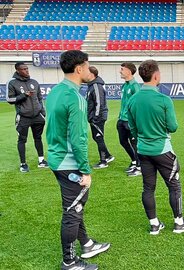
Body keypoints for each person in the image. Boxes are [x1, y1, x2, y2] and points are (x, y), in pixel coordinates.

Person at [46, 50, 110, 270]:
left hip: (56, 158)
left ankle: (87, 244)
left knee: (76, 205)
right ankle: (69, 261)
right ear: (79, 68)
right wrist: (85, 170)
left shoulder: (55, 92)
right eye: (87, 65)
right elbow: (79, 138)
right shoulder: (76, 98)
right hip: (69, 162)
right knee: (72, 211)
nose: (89, 69)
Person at [126, 59, 184, 235]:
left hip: (142, 150)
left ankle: (154, 225)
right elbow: (173, 127)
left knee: (148, 188)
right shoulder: (164, 99)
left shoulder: (133, 100)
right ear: (156, 76)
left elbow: (132, 128)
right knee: (174, 186)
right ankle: (179, 223)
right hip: (162, 150)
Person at [6, 62, 48, 172]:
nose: (27, 71)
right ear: (17, 70)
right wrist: (24, 95)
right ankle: (23, 164)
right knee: (22, 140)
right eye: (23, 69)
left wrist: (42, 112)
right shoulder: (12, 83)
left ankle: (41, 161)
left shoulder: (34, 82)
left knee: (38, 138)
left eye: (27, 68)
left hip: (37, 116)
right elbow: (9, 99)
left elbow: (39, 98)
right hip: (23, 117)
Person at [86, 66, 114, 169]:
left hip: (97, 117)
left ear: (92, 74)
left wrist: (95, 117)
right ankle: (108, 155)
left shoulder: (96, 86)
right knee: (96, 137)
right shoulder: (91, 86)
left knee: (98, 137)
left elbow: (99, 103)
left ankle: (103, 161)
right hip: (93, 116)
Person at [118, 62, 141, 176]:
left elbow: (138, 104)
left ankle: (139, 166)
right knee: (123, 141)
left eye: (122, 69)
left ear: (129, 71)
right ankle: (134, 161)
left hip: (130, 121)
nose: (120, 71)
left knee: (134, 143)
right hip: (122, 119)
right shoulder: (125, 85)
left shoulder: (135, 86)